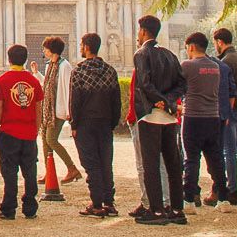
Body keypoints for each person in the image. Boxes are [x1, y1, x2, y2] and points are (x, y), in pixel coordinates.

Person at [130, 14, 188, 225]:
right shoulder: (170, 55)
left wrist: (159, 101)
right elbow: (182, 84)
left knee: (151, 163)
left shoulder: (142, 53)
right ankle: (177, 209)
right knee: (173, 163)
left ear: (144, 31)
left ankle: (156, 210)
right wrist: (170, 103)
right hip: (169, 118)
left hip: (151, 116)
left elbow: (144, 84)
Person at [68, 32, 123, 218]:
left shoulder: (79, 71)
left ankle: (97, 203)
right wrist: (113, 121)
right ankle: (109, 202)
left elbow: (75, 101)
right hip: (105, 123)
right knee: (106, 162)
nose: (80, 48)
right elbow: (117, 101)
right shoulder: (110, 70)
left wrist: (74, 123)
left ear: (87, 47)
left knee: (91, 163)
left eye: (82, 45)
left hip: (85, 123)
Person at [180, 33, 234, 207]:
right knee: (215, 158)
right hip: (212, 116)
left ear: (192, 47)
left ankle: (189, 199)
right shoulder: (215, 66)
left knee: (191, 159)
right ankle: (223, 197)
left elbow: (179, 87)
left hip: (193, 117)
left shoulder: (188, 65)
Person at [0, 43, 42, 219]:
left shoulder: (3, 80)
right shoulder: (33, 81)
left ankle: (9, 207)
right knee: (30, 170)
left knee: (9, 170)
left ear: (8, 58)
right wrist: (37, 128)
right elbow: (37, 107)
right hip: (28, 132)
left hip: (9, 131)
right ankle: (30, 206)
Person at [212, 28, 237, 205]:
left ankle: (233, 189)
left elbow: (227, 90)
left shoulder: (226, 60)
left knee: (229, 152)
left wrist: (226, 112)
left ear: (220, 42)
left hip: (232, 111)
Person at [38, 33, 80, 202]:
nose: (44, 51)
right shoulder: (50, 66)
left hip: (58, 110)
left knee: (51, 139)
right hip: (49, 109)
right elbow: (47, 85)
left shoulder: (65, 66)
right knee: (45, 140)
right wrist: (37, 74)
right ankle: (50, 172)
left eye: (45, 48)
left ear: (51, 49)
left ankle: (72, 168)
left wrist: (69, 111)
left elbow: (67, 89)